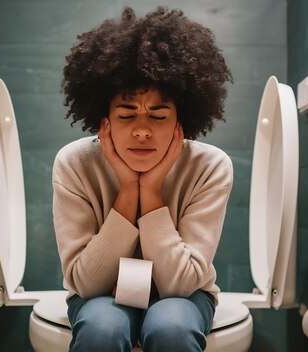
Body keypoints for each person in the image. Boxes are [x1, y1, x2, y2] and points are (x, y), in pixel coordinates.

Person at [53, 6, 233, 352]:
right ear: (104, 120)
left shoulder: (210, 166)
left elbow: (180, 285)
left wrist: (150, 189)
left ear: (181, 121)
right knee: (102, 327)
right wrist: (126, 191)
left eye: (159, 115)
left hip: (182, 298)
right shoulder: (75, 163)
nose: (141, 130)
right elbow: (88, 284)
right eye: (126, 113)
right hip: (99, 298)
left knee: (172, 326)